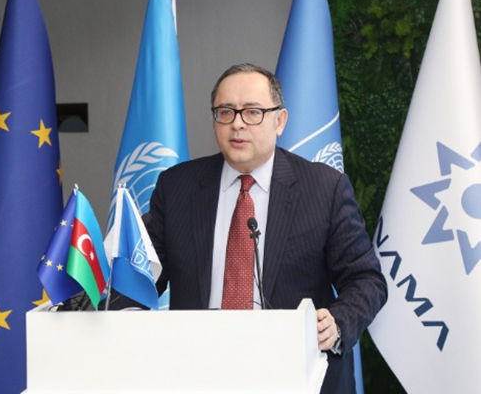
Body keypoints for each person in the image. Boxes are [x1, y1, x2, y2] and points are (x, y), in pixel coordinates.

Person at [145, 63, 387, 394]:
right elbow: (143, 276)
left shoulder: (323, 188)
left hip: (295, 372)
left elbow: (366, 279)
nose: (237, 124)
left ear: (280, 121)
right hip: (200, 370)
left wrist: (337, 322)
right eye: (225, 112)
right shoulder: (177, 187)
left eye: (253, 112)